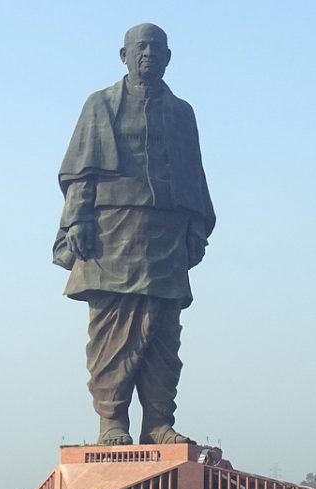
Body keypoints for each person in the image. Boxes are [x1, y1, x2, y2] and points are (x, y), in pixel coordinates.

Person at [53, 23, 214, 446]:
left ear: (168, 57)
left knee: (164, 331)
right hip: (113, 234)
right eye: (140, 48)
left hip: (165, 235)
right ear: (123, 55)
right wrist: (77, 222)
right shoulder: (100, 105)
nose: (148, 54)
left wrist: (196, 228)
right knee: (112, 330)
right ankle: (112, 421)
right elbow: (81, 173)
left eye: (156, 48)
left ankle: (158, 422)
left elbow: (194, 177)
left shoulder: (182, 113)